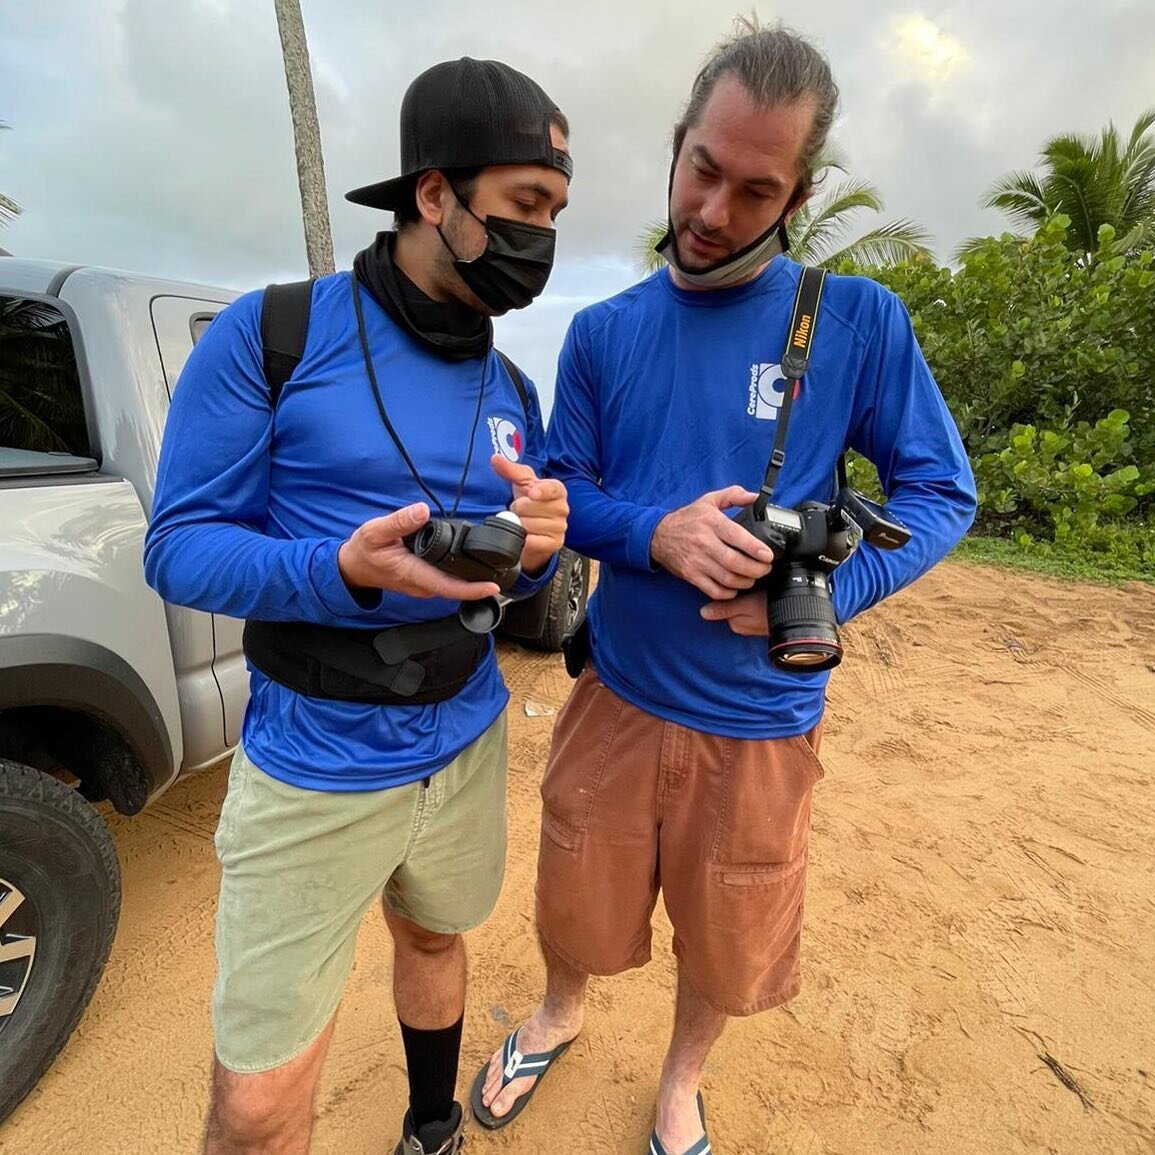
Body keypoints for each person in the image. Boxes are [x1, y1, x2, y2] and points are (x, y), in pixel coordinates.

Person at [472, 20, 976, 1155]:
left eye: (756, 190)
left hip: (761, 716)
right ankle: (560, 1012)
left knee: (728, 927)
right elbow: (564, 492)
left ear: (796, 194)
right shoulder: (603, 333)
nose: (712, 211)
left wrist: (836, 594)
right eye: (704, 168)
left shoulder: (857, 322)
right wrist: (659, 534)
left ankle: (681, 1082)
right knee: (574, 899)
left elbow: (943, 495)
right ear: (677, 142)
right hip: (617, 695)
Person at [144, 57, 572, 1155]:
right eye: (525, 204)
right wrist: (340, 574)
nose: (544, 234)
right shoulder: (273, 336)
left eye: (558, 212)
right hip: (314, 768)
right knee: (253, 1112)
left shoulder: (514, 391)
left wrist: (531, 562)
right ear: (434, 193)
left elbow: (506, 582)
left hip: (467, 741)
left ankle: (432, 1124)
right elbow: (179, 552)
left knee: (434, 940)